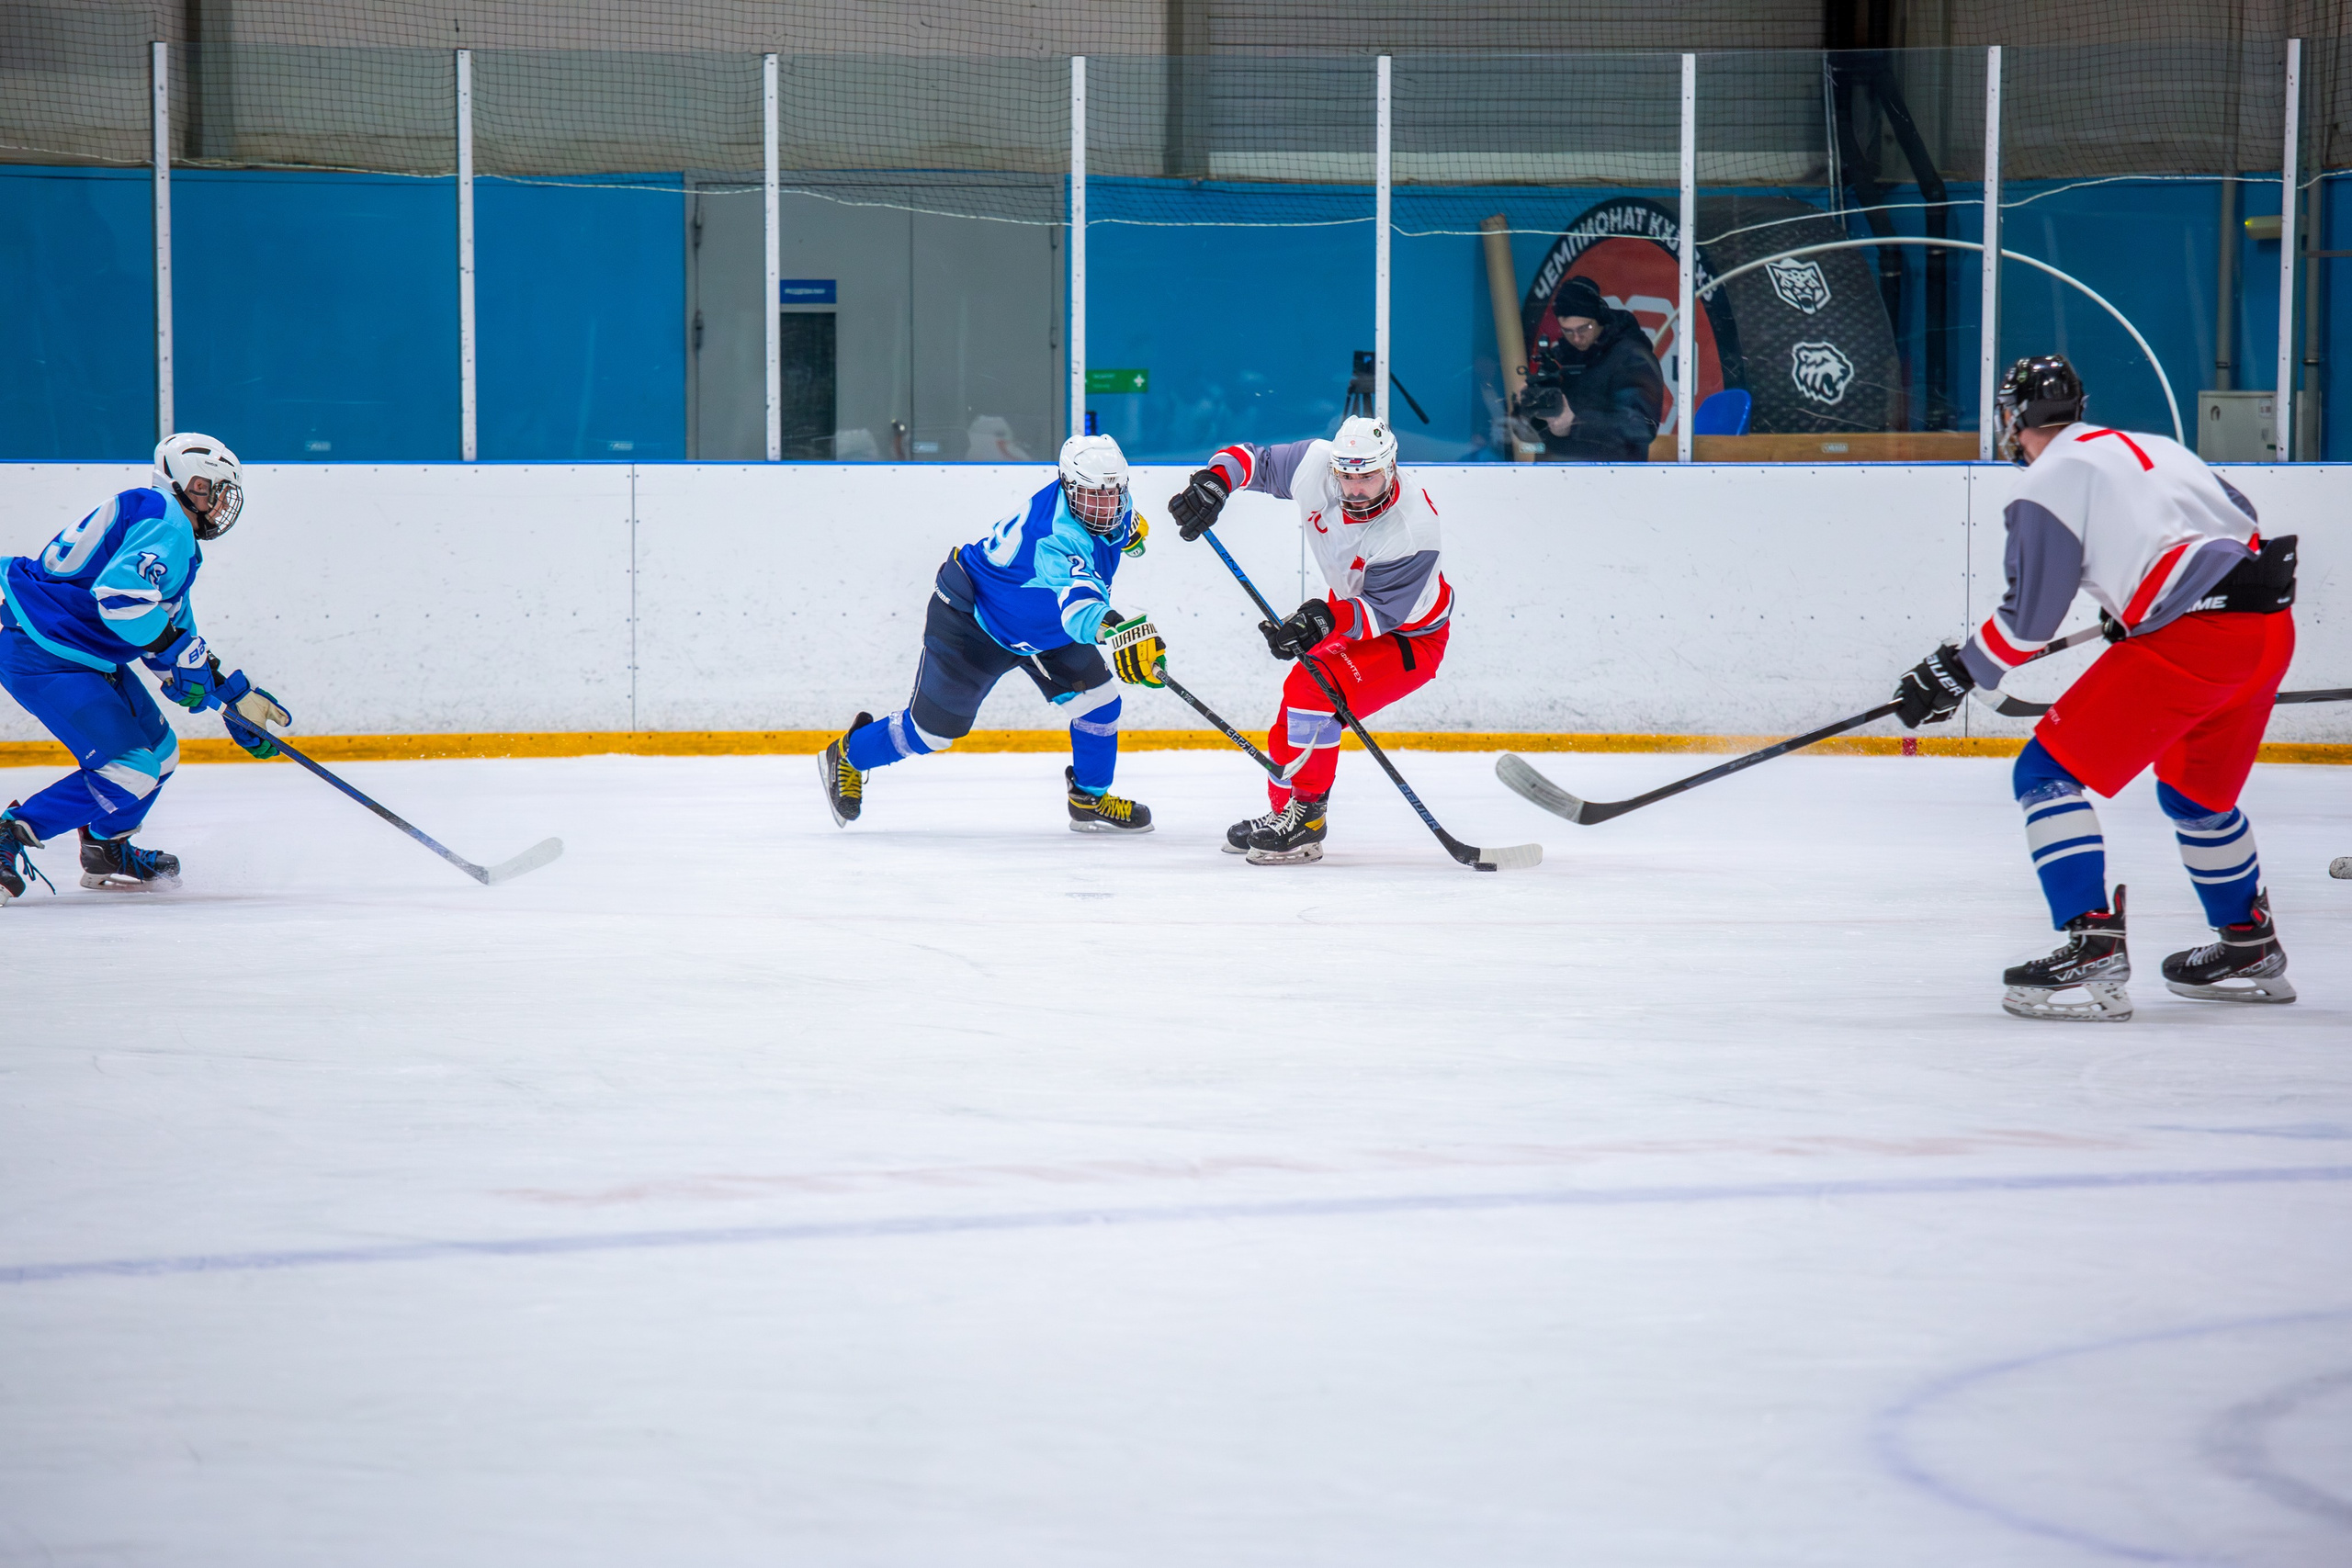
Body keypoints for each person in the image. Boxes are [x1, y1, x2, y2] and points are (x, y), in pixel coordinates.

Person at [1891, 355, 2299, 1021]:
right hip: (2266, 631)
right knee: (2196, 794)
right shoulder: (2152, 445)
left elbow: (2029, 621)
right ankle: (2249, 942)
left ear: (2016, 418)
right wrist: (2135, 602)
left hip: (2195, 642)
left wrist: (1957, 670)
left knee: (2043, 772)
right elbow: (2236, 521)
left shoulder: (2048, 479)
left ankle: (2093, 940)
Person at [819, 434, 1164, 834]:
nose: (1106, 505)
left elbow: (1124, 531)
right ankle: (850, 754)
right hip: (974, 624)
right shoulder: (1052, 537)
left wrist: (1130, 535)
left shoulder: (1110, 504)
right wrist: (1120, 630)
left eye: (1114, 493)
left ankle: (1088, 799)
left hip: (1040, 628)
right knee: (931, 733)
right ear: (1069, 487)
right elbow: (1080, 608)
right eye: (1093, 496)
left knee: (1099, 702)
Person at [0, 434, 288, 906]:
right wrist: (182, 658)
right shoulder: (167, 523)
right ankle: (10, 833)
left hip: (81, 651)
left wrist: (232, 696)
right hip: (45, 647)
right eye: (208, 488)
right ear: (180, 481)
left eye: (221, 494)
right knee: (129, 769)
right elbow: (122, 603)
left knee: (161, 754)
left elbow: (168, 635)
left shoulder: (161, 520)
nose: (216, 504)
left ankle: (105, 849)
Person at [1166, 415, 1452, 865]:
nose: (1355, 489)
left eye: (1368, 477)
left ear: (1391, 467)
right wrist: (1216, 483)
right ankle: (1286, 814)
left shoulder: (1414, 528)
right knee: (1295, 704)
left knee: (1312, 689)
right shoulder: (1318, 463)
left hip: (1410, 638)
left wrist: (1320, 621)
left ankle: (1309, 820)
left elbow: (1380, 613)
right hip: (1352, 612)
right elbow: (1251, 460)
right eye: (1347, 477)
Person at [1510, 276, 1666, 462]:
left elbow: (1641, 427)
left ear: (1599, 318)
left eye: (1584, 328)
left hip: (1612, 477)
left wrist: (1577, 423)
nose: (1576, 338)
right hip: (1555, 475)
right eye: (1568, 330)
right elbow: (1530, 434)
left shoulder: (1631, 357)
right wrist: (1525, 409)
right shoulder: (1559, 358)